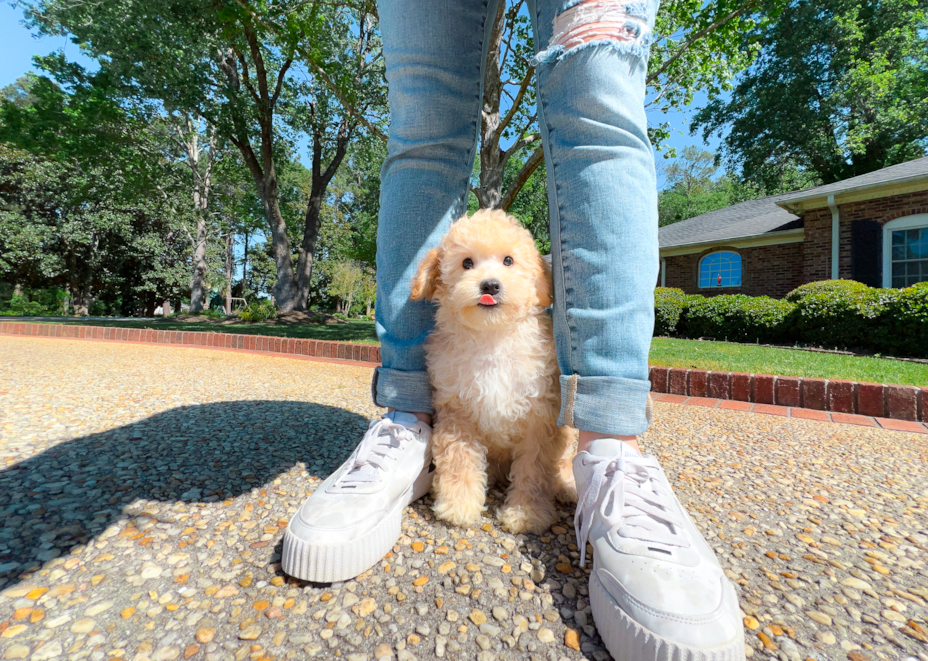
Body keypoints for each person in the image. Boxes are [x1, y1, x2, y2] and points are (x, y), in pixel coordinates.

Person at [282, 0, 744, 658]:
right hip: (455, 393)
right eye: (469, 265)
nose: (489, 279)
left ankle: (611, 451)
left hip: (533, 428)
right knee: (420, 120)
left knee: (600, 86)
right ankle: (408, 423)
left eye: (505, 265)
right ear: (442, 277)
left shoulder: (531, 320)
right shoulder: (448, 310)